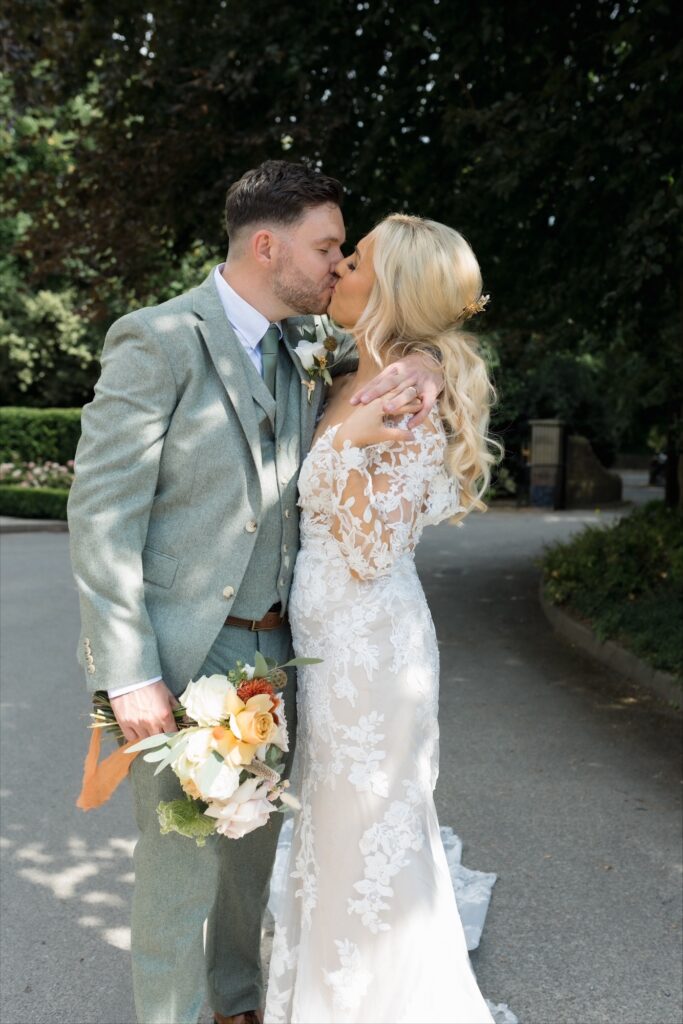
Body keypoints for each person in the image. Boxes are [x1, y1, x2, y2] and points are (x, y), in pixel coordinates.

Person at [67, 161, 443, 1024]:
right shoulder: (157, 338)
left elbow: (404, 333)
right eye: (326, 248)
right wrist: (128, 673)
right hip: (181, 651)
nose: (337, 266)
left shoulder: (308, 346)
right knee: (177, 863)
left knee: (252, 855)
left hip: (288, 652)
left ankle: (235, 1006)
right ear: (267, 245)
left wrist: (421, 358)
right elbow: (101, 517)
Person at [264, 214, 500, 1024]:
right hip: (332, 640)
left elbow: (370, 546)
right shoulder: (349, 371)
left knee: (363, 821)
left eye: (353, 259)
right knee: (335, 824)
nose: (338, 267)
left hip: (370, 646)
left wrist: (334, 451)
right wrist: (342, 436)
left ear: (388, 286)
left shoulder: (402, 390)